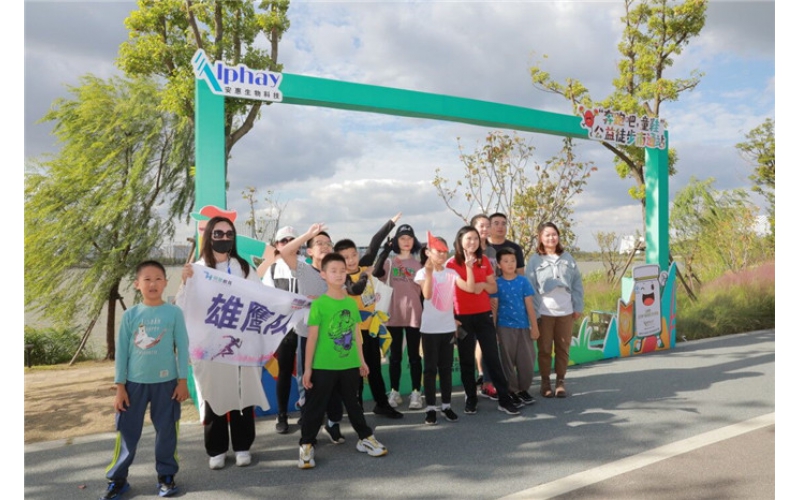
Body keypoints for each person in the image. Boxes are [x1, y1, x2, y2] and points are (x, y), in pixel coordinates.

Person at [179, 216, 268, 470]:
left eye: (229, 234)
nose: (224, 238)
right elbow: (183, 306)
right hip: (210, 346)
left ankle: (242, 446)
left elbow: (261, 299)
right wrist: (184, 281)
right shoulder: (196, 269)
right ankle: (216, 448)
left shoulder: (244, 268)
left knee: (242, 394)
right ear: (209, 237)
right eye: (218, 233)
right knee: (213, 394)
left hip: (241, 344)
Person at [101, 260, 189, 499]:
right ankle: (117, 480)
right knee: (127, 432)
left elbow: (182, 347)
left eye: (158, 279)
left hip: (167, 384)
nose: (153, 284)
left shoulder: (174, 313)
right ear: (137, 284)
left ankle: (166, 477)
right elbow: (122, 352)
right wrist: (120, 387)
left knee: (167, 431)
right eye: (147, 279)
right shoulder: (131, 315)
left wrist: (183, 380)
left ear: (165, 283)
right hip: (134, 385)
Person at [298, 253, 388, 469]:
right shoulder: (319, 304)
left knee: (353, 404)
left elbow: (356, 335)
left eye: (342, 270)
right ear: (323, 274)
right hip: (323, 366)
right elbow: (312, 339)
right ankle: (306, 445)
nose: (339, 275)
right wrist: (308, 369)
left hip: (349, 365)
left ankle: (365, 438)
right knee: (315, 407)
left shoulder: (350, 302)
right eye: (333, 271)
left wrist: (362, 361)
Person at [279, 223, 347, 444]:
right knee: (308, 384)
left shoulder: (337, 271)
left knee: (335, 385)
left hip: (333, 337)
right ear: (309, 251)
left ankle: (333, 424)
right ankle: (310, 432)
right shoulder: (303, 269)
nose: (325, 246)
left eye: (328, 243)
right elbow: (285, 251)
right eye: (319, 243)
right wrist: (308, 234)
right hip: (308, 336)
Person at [333, 212, 403, 419]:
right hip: (353, 334)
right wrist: (365, 275)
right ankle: (357, 410)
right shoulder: (342, 276)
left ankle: (381, 404)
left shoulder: (363, 264)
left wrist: (391, 223)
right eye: (345, 257)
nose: (351, 260)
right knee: (356, 372)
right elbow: (355, 290)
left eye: (353, 255)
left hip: (370, 330)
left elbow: (374, 244)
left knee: (374, 369)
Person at [446, 226, 521, 416]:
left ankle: (504, 399)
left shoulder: (484, 260)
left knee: (492, 357)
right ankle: (471, 398)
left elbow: (493, 286)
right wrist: (477, 281)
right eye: (468, 238)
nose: (473, 242)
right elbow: (467, 289)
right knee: (466, 360)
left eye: (475, 239)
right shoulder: (452, 264)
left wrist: (483, 284)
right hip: (462, 317)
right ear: (460, 240)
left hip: (484, 314)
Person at [415, 234, 475, 425]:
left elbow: (470, 288)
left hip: (448, 328)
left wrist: (469, 267)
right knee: (430, 369)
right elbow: (427, 295)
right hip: (429, 329)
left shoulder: (451, 273)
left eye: (444, 251)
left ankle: (446, 406)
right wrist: (429, 273)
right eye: (437, 251)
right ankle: (430, 408)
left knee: (446, 369)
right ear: (428, 252)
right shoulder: (422, 273)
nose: (441, 255)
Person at [526, 222, 584, 398]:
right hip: (544, 312)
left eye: (554, 234)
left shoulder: (568, 258)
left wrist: (577, 306)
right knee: (544, 349)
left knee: (563, 348)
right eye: (547, 235)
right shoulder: (535, 260)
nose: (551, 238)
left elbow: (577, 283)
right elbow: (530, 288)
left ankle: (560, 382)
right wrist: (534, 314)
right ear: (540, 238)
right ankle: (545, 383)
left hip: (566, 311)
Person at [373, 224, 424, 410]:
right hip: (394, 314)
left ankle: (416, 392)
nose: (406, 241)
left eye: (409, 238)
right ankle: (394, 391)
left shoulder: (419, 265)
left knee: (414, 356)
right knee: (395, 357)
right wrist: (385, 251)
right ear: (396, 241)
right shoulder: (390, 263)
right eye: (402, 238)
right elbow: (376, 272)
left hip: (414, 314)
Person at [261, 225, 301, 434]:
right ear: (276, 245)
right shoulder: (272, 269)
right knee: (284, 372)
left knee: (307, 372)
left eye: (291, 240)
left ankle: (309, 412)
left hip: (306, 327)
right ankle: (282, 414)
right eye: (283, 241)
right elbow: (267, 299)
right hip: (284, 330)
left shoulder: (306, 265)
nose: (287, 244)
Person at [490, 247, 540, 406]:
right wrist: (493, 331)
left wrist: (534, 326)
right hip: (504, 327)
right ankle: (512, 391)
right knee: (507, 361)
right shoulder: (496, 284)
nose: (510, 264)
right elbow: (494, 308)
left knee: (527, 360)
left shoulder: (523, 281)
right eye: (506, 261)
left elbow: (529, 306)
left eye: (513, 261)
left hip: (523, 326)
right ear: (499, 265)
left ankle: (523, 389)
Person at [470, 213, 497, 400]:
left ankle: (488, 382)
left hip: (491, 299)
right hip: (471, 302)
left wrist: (494, 295)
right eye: (481, 226)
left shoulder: (492, 251)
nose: (485, 229)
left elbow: (494, 276)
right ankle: (476, 381)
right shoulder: (467, 250)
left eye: (488, 226)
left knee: (489, 341)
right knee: (471, 342)